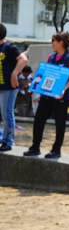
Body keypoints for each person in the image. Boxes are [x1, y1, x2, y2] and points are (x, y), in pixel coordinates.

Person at [23, 32, 69, 159]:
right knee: (39, 119)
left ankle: (56, 149)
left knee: (60, 123)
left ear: (61, 42)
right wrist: (34, 86)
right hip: (47, 95)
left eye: (54, 40)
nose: (52, 42)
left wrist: (64, 89)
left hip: (61, 97)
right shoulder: (51, 57)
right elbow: (45, 73)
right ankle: (35, 146)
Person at [0, 23, 28, 151]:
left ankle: (8, 140)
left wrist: (15, 73)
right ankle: (2, 137)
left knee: (7, 114)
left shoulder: (9, 47)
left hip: (9, 87)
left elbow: (23, 59)